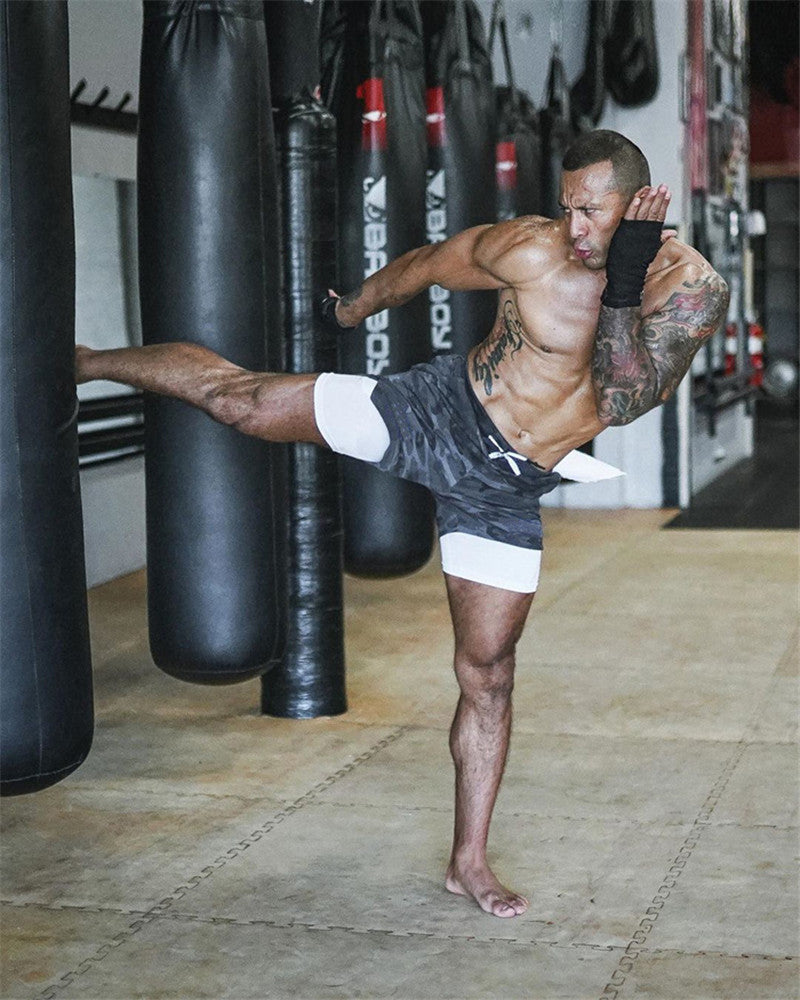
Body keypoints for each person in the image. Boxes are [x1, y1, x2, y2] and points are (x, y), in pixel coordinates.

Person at [75, 130, 729, 918]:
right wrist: (358, 302)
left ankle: (468, 862)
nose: (576, 229)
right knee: (241, 401)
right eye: (568, 208)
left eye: (592, 211)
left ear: (638, 202)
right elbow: (427, 264)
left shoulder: (687, 286)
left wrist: (623, 278)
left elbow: (624, 401)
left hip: (506, 486)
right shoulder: (530, 249)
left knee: (487, 676)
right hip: (435, 411)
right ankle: (86, 361)